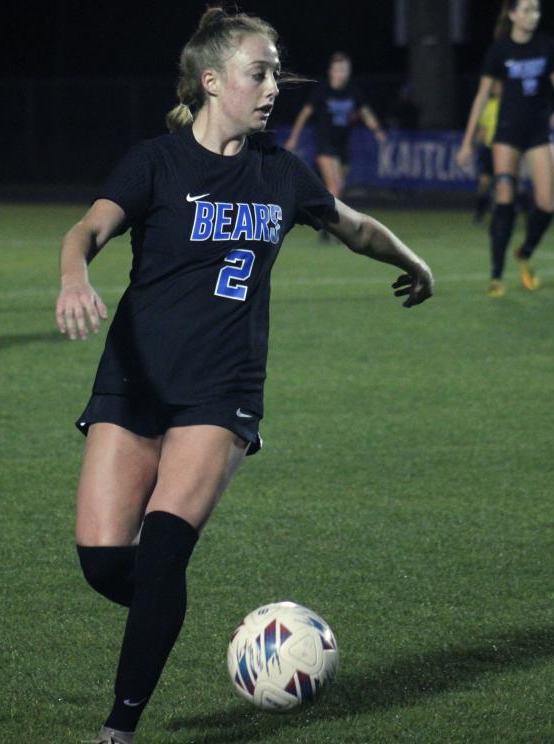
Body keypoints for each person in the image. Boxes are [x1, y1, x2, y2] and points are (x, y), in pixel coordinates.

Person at [54, 8, 433, 743]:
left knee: (163, 556)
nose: (271, 88)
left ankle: (116, 732)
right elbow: (87, 230)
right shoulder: (155, 162)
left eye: (274, 74)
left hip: (219, 393)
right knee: (105, 564)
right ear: (210, 81)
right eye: (257, 73)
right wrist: (73, 277)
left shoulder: (279, 172)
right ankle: (222, 629)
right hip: (133, 381)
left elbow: (353, 226)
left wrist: (411, 260)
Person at [457, 0, 554, 298]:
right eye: (528, 9)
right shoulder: (500, 50)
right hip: (507, 133)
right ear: (513, 15)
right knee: (504, 199)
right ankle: (496, 276)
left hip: (538, 132)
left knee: (548, 204)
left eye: (537, 10)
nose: (534, 15)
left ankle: (525, 252)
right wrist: (467, 142)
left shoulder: (548, 45)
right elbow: (481, 97)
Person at [283, 51, 387, 239]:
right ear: (331, 71)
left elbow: (365, 112)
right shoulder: (322, 91)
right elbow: (304, 114)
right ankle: (330, 229)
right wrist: (293, 138)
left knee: (339, 188)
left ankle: (326, 221)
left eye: (346, 69)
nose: (343, 73)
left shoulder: (352, 91)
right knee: (335, 186)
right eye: (339, 69)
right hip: (325, 145)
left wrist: (377, 130)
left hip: (342, 146)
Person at [472, 81, 501, 224]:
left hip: (503, 150)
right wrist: (473, 145)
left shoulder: (509, 105)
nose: (495, 87)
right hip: (489, 149)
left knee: (503, 186)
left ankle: (500, 215)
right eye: (494, 85)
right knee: (484, 182)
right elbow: (483, 129)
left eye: (498, 84)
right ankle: (480, 212)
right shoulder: (488, 105)